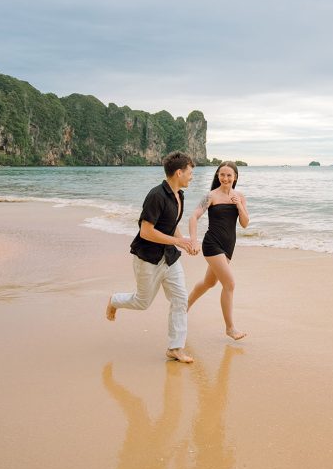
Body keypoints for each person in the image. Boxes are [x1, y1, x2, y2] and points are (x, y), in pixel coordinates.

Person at [107, 151, 199, 363]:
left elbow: (172, 226)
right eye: (190, 173)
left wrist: (184, 243)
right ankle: (114, 300)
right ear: (179, 172)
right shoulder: (156, 196)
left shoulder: (179, 195)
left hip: (170, 258)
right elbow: (145, 232)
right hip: (148, 258)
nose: (192, 177)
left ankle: (175, 348)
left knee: (180, 299)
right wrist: (178, 242)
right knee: (142, 302)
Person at [187, 161, 250, 340]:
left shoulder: (240, 196)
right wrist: (193, 240)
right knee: (229, 284)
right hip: (212, 244)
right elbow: (193, 217)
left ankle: (184, 307)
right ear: (217, 176)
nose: (225, 178)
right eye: (222, 174)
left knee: (209, 282)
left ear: (235, 177)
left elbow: (245, 224)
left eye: (229, 175)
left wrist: (239, 205)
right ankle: (230, 328)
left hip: (228, 246)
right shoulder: (210, 196)